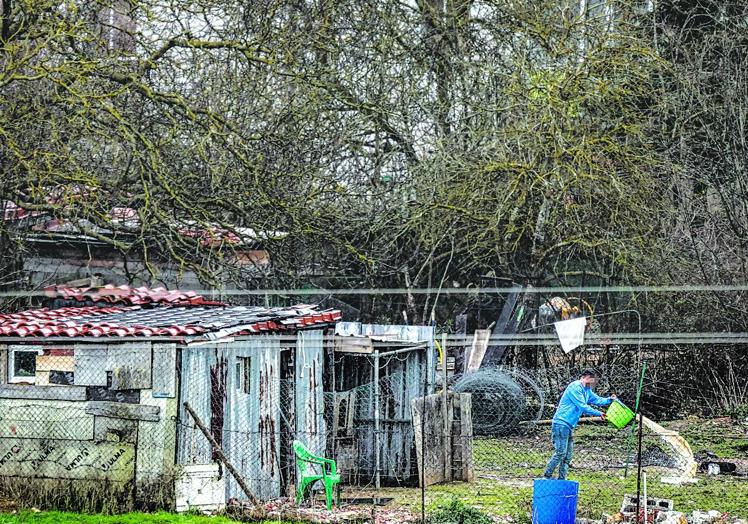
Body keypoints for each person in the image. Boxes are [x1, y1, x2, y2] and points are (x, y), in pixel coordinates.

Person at [543, 369, 616, 480]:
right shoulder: (575, 387)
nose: (594, 383)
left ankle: (562, 480)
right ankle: (546, 476)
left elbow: (597, 400)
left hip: (569, 425)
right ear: (586, 377)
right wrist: (598, 413)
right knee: (560, 452)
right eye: (593, 380)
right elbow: (582, 406)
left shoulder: (587, 391)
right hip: (561, 423)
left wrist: (609, 400)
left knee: (567, 456)